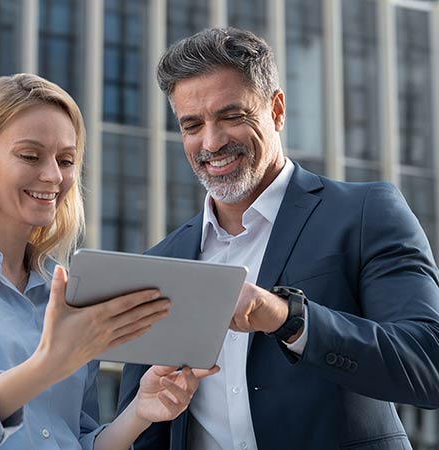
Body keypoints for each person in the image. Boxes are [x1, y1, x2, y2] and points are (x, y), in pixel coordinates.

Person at [117, 27, 439, 450]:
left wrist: (286, 317)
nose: (211, 142)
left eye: (232, 116)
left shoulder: (365, 213)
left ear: (277, 110)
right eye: (192, 124)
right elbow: (147, 430)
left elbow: (427, 363)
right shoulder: (162, 260)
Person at [0, 73, 218, 450]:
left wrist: (139, 413)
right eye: (30, 156)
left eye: (66, 160)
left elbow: (71, 439)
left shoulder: (62, 289)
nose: (52, 176)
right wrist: (47, 365)